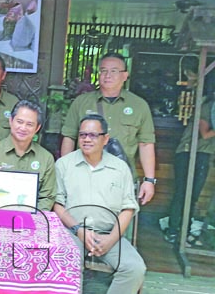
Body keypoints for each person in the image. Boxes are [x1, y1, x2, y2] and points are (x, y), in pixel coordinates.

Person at [54, 114, 145, 294]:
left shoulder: (120, 168)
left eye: (94, 135)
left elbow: (128, 209)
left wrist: (112, 239)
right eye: (83, 134)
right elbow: (57, 205)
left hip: (109, 235)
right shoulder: (64, 164)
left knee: (134, 267)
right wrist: (78, 229)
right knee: (67, 260)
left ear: (105, 139)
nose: (87, 139)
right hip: (73, 232)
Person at [0, 100, 56, 294]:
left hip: (32, 222)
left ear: (37, 128)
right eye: (19, 121)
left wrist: (30, 221)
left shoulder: (45, 158)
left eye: (29, 124)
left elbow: (48, 196)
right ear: (10, 121)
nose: (23, 127)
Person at [61, 52, 157, 205]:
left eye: (114, 71)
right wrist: (64, 173)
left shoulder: (139, 105)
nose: (108, 75)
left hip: (121, 180)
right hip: (84, 177)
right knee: (83, 224)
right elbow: (69, 137)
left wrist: (149, 180)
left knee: (120, 225)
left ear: (125, 75)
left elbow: (146, 143)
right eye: (103, 70)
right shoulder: (82, 102)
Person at [164, 98, 215, 245]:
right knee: (182, 194)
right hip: (188, 152)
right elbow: (205, 134)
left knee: (193, 196)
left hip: (204, 154)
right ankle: (173, 231)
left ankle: (185, 232)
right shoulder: (208, 106)